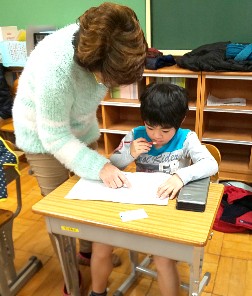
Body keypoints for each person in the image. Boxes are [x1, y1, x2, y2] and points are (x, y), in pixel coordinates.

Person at [12, 2, 147, 296]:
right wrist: (99, 165)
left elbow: (84, 104)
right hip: (42, 136)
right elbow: (55, 137)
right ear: (90, 62)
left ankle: (88, 251)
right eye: (108, 80)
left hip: (79, 126)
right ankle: (70, 274)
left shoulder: (113, 45)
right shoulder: (55, 66)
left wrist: (97, 165)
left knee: (92, 196)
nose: (108, 86)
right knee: (61, 213)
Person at [110, 82, 218, 296]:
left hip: (171, 209)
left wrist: (181, 176)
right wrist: (130, 153)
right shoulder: (135, 134)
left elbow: (211, 164)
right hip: (144, 205)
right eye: (150, 127)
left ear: (179, 122)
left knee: (162, 257)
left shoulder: (186, 138)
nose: (156, 136)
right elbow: (113, 165)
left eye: (165, 130)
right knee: (109, 234)